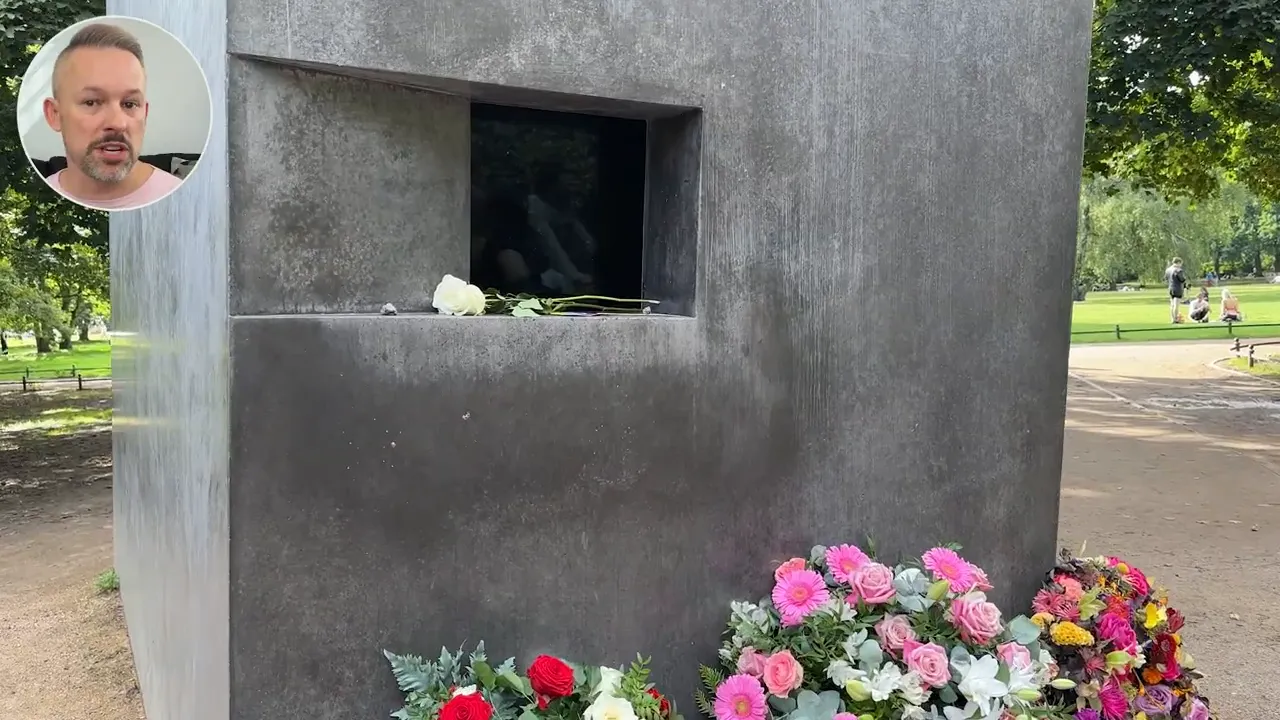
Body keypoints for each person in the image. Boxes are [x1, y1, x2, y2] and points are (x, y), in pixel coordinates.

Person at [39, 23, 182, 210]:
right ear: (54, 114)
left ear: (145, 114)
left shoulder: (178, 196)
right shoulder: (42, 197)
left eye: (129, 104)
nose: (117, 123)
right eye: (92, 102)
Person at [1163, 257, 1187, 323]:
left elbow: (1165, 278)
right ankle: (1176, 319)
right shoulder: (1178, 270)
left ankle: (1172, 318)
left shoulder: (1168, 270)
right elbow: (1182, 279)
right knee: (1176, 305)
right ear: (1178, 262)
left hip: (1170, 288)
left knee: (1172, 304)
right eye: (1181, 264)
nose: (1181, 265)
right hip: (1178, 288)